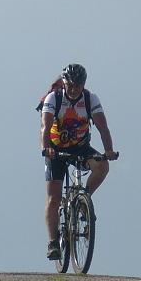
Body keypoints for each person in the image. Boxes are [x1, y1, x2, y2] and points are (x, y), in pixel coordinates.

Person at [41, 63, 118, 260]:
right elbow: (45, 126)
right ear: (64, 83)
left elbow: (103, 127)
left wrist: (108, 150)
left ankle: (84, 199)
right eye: (70, 86)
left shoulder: (90, 99)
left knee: (102, 166)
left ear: (84, 84)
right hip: (55, 149)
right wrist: (46, 148)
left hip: (80, 147)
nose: (74, 90)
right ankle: (53, 243)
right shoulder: (54, 98)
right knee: (53, 198)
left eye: (78, 86)